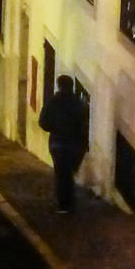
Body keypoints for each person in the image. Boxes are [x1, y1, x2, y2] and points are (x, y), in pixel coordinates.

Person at [38, 75, 89, 213]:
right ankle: (69, 202)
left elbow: (43, 122)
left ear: (59, 85)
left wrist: (54, 128)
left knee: (61, 173)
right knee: (68, 172)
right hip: (74, 144)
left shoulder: (53, 102)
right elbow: (84, 124)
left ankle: (64, 204)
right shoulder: (78, 103)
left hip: (57, 142)